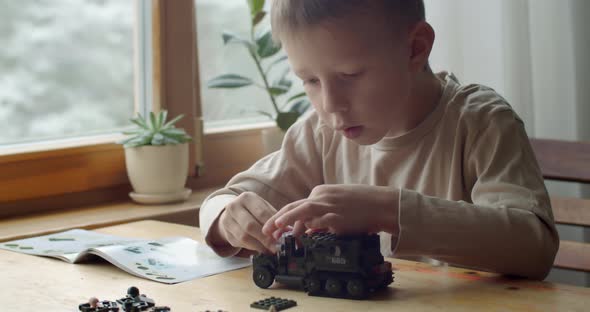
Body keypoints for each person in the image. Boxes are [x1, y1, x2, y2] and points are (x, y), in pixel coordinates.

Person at [199, 0, 559, 280]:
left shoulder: (481, 123)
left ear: (415, 48)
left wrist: (390, 211)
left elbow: (534, 246)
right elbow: (220, 202)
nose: (330, 104)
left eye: (349, 74)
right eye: (309, 80)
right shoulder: (320, 132)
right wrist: (225, 217)